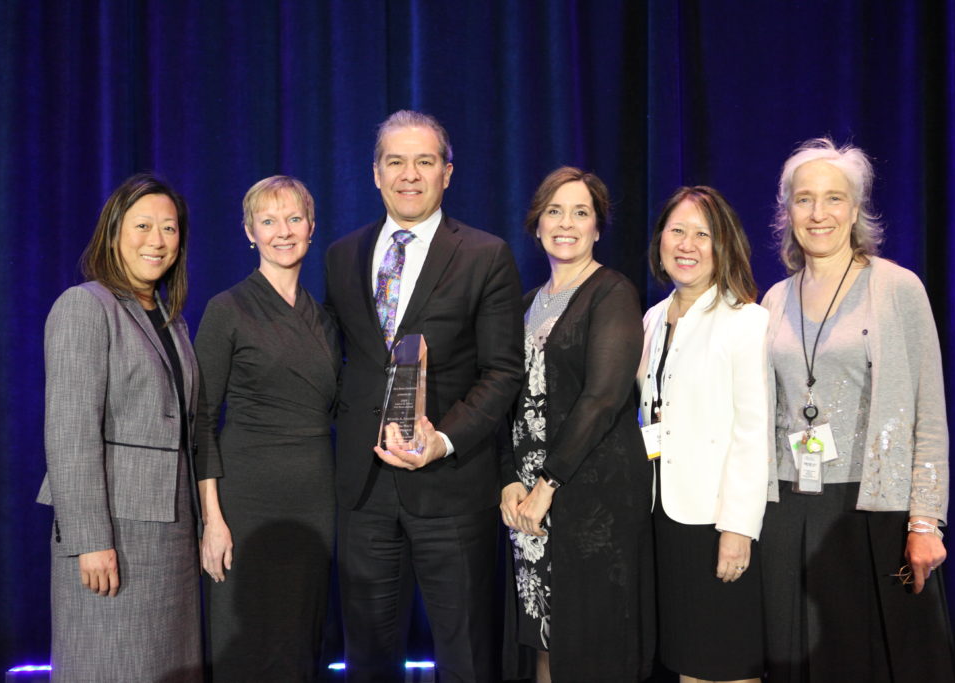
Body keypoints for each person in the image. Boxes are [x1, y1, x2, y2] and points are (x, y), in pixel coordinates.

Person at [323, 110, 524, 683]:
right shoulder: (341, 256)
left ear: (447, 173)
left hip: (452, 489)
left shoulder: (485, 254)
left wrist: (443, 440)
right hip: (363, 491)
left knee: (465, 658)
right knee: (367, 659)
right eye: (396, 162)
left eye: (424, 161)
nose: (409, 174)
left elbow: (502, 371)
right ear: (375, 174)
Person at [761, 138, 955, 682]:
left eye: (834, 198)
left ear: (855, 210)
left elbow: (928, 411)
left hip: (873, 511)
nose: (818, 213)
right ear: (787, 211)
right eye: (804, 199)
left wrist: (925, 520)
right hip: (788, 508)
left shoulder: (896, 287)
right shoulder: (774, 299)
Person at [36, 174, 201, 682]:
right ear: (113, 234)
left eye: (169, 228)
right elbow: (70, 432)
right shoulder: (85, 306)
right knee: (107, 665)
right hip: (114, 539)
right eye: (143, 226)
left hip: (171, 538)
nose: (158, 240)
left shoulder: (171, 318)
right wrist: (90, 540)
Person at [500, 166, 655, 683]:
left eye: (580, 212)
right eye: (555, 211)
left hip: (592, 498)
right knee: (544, 636)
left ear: (597, 227)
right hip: (529, 505)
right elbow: (504, 402)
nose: (566, 223)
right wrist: (509, 480)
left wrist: (547, 484)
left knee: (592, 643)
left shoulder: (612, 292)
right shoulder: (525, 305)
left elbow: (603, 398)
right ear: (537, 224)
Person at [194, 176, 339, 681]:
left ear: (312, 228)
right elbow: (201, 420)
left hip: (315, 500)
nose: (283, 231)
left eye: (294, 219)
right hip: (247, 501)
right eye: (269, 221)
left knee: (301, 644)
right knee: (247, 645)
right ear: (249, 232)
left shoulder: (326, 319)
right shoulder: (226, 309)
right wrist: (212, 520)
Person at [636, 186, 768, 683]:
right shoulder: (652, 319)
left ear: (722, 245)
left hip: (716, 522)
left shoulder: (746, 321)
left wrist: (738, 528)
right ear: (660, 240)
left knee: (725, 662)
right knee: (686, 662)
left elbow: (753, 432)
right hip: (662, 517)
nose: (687, 245)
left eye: (702, 234)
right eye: (677, 231)